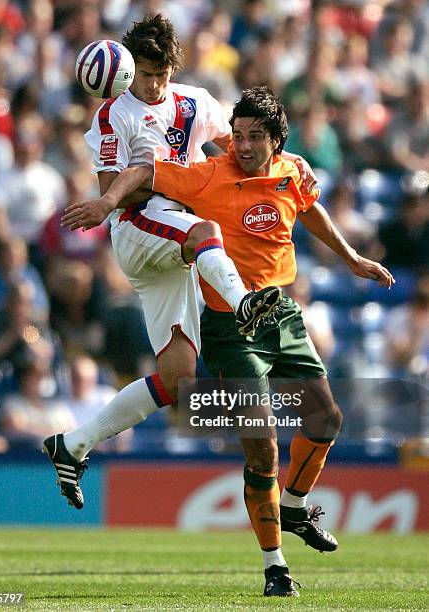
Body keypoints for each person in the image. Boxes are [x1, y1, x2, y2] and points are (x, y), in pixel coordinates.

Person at [56, 86, 395, 597]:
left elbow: (311, 209)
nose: (242, 145)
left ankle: (297, 505)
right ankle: (275, 566)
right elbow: (144, 173)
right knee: (262, 454)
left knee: (327, 420)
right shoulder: (211, 173)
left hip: (279, 314)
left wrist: (351, 260)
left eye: (255, 137)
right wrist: (107, 199)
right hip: (228, 328)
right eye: (236, 135)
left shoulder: (293, 171)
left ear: (277, 140)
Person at [43, 14, 315, 512]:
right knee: (205, 232)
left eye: (162, 73)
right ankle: (246, 305)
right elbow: (113, 195)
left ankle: (72, 445)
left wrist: (285, 162)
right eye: (146, 73)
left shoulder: (195, 102)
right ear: (128, 68)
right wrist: (172, 183)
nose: (154, 84)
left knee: (178, 378)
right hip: (140, 229)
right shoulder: (111, 116)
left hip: (174, 244)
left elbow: (241, 150)